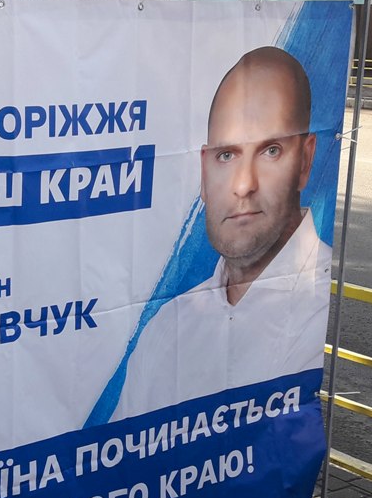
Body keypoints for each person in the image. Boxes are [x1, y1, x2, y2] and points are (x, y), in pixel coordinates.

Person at [110, 46, 331, 423]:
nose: (243, 185)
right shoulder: (167, 327)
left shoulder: (323, 306)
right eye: (226, 156)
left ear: (305, 161)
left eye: (271, 150)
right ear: (204, 171)